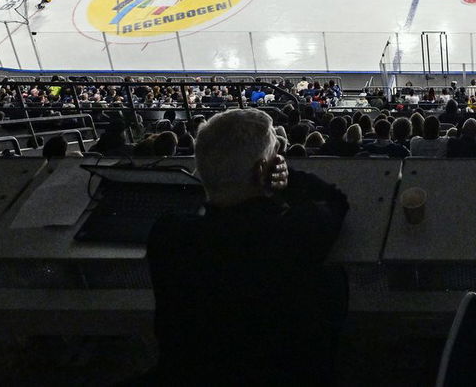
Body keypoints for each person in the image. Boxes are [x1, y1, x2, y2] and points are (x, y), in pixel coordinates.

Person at [146, 108, 349, 382]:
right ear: (261, 171)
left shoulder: (167, 234)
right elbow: (335, 201)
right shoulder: (293, 232)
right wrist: (287, 180)